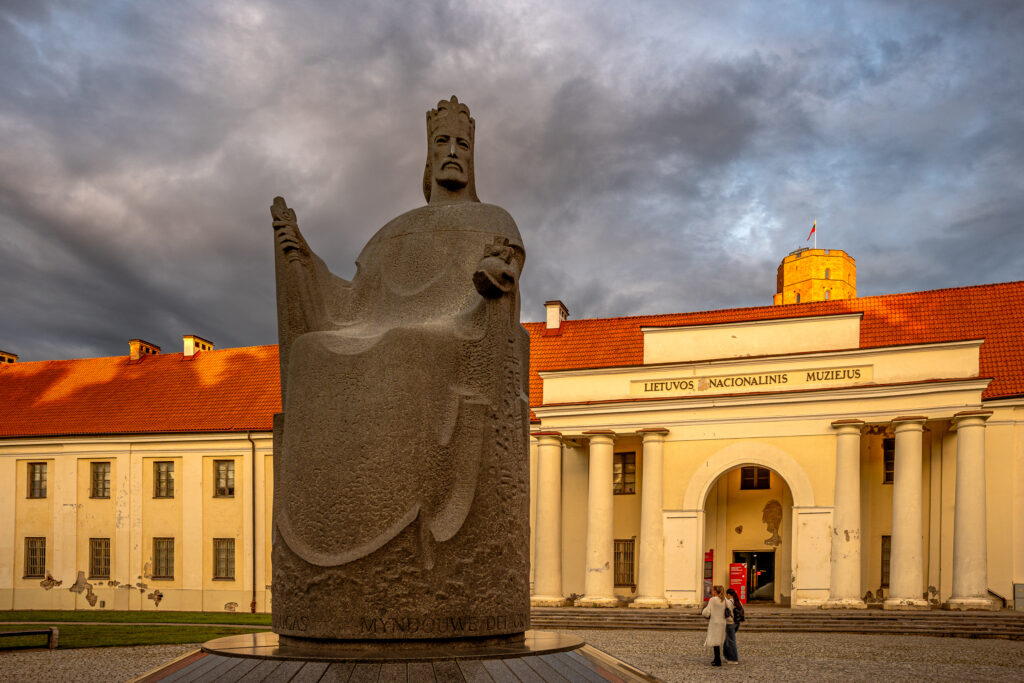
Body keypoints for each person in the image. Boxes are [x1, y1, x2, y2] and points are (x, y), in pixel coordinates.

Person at [701, 585, 729, 666]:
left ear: (715, 591)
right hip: (722, 622)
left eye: (713, 590)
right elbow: (729, 608)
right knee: (719, 640)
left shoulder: (712, 600)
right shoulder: (724, 600)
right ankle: (716, 659)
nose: (712, 591)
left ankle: (717, 660)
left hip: (714, 622)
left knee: (715, 641)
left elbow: (707, 611)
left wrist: (704, 612)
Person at [724, 587, 744, 664]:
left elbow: (726, 612)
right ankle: (726, 656)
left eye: (727, 595)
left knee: (731, 641)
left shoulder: (728, 602)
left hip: (730, 623)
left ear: (729, 594)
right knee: (727, 640)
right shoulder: (738, 602)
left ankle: (733, 659)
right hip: (737, 623)